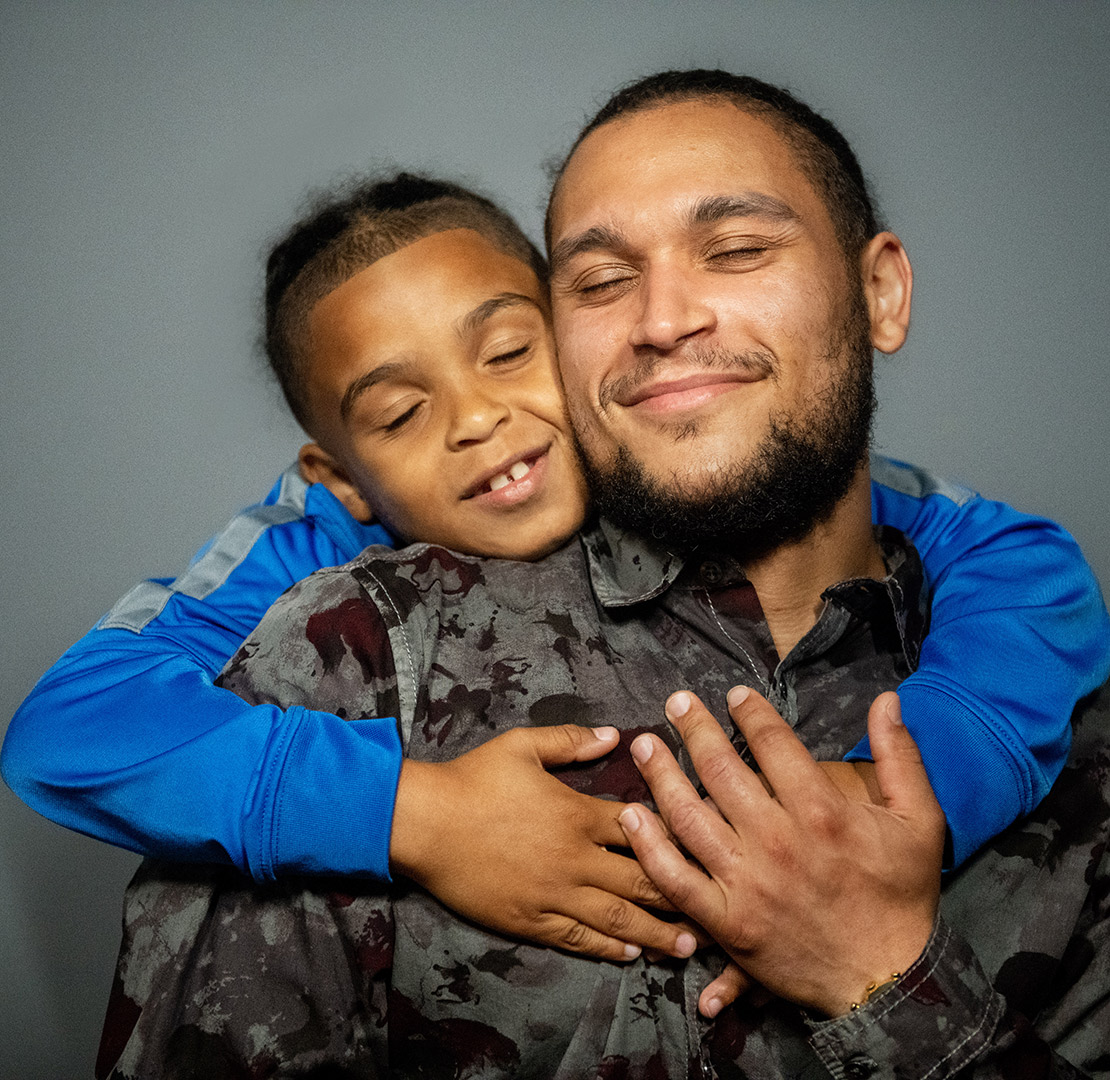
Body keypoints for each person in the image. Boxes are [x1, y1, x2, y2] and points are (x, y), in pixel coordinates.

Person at [98, 74, 1108, 1075]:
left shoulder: (1047, 690)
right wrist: (422, 814)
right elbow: (84, 730)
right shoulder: (351, 668)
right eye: (600, 279)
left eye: (737, 250)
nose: (663, 319)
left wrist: (885, 975)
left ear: (879, 291)